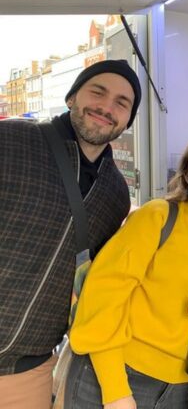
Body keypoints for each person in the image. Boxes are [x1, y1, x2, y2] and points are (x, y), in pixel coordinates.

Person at [64, 130, 188, 409]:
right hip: (121, 375)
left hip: (186, 390)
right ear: (187, 177)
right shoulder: (157, 217)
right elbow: (102, 296)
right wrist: (114, 389)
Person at [0, 59, 142, 409]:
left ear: (126, 122)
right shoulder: (11, 140)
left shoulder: (115, 194)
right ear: (71, 97)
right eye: (98, 92)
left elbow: (99, 281)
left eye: (122, 103)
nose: (107, 107)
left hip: (28, 369)